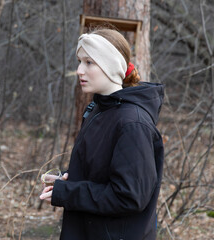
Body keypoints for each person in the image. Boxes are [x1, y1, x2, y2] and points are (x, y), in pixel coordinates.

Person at [40, 28, 164, 240]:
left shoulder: (132, 123)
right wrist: (69, 180)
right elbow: (101, 174)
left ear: (111, 66)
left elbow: (129, 197)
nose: (79, 70)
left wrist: (68, 193)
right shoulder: (100, 109)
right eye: (80, 61)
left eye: (89, 62)